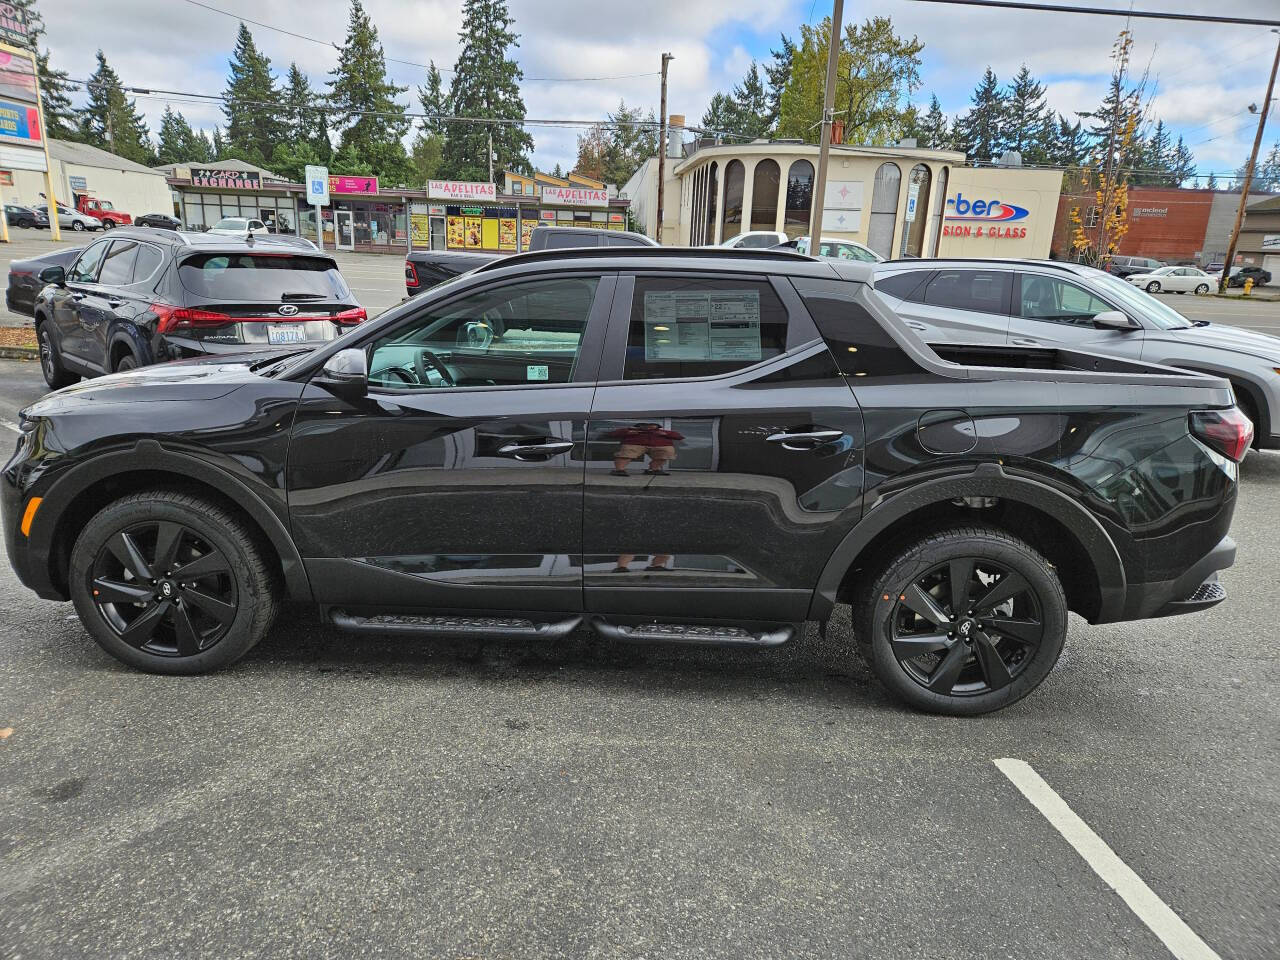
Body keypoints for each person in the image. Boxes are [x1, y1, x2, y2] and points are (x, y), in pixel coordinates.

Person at [607, 422, 684, 476]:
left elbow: (679, 437)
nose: (648, 426)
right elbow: (612, 434)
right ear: (639, 426)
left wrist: (666, 434)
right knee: (627, 452)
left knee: (666, 452)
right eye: (644, 425)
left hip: (659, 445)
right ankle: (619, 470)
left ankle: (653, 470)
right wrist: (627, 432)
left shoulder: (663, 431)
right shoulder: (630, 430)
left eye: (651, 425)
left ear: (657, 426)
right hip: (635, 444)